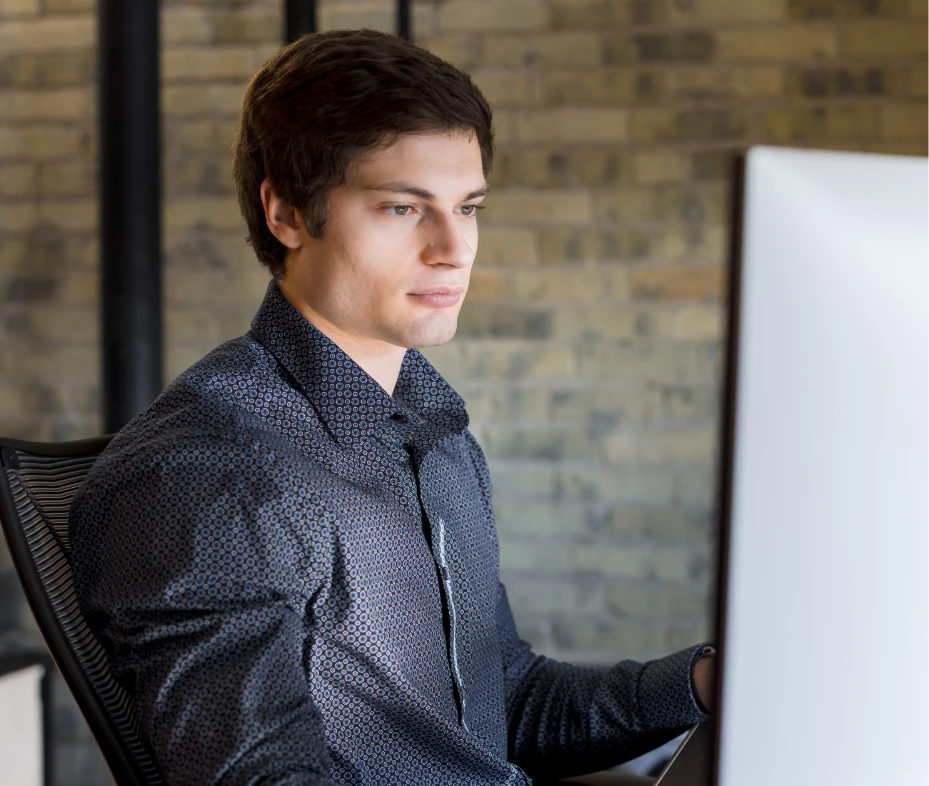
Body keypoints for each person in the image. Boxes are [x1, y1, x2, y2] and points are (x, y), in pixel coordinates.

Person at [69, 28, 715, 786]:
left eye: (467, 207)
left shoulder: (431, 435)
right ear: (285, 214)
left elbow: (502, 707)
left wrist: (704, 682)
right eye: (404, 209)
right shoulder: (207, 472)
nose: (454, 248)